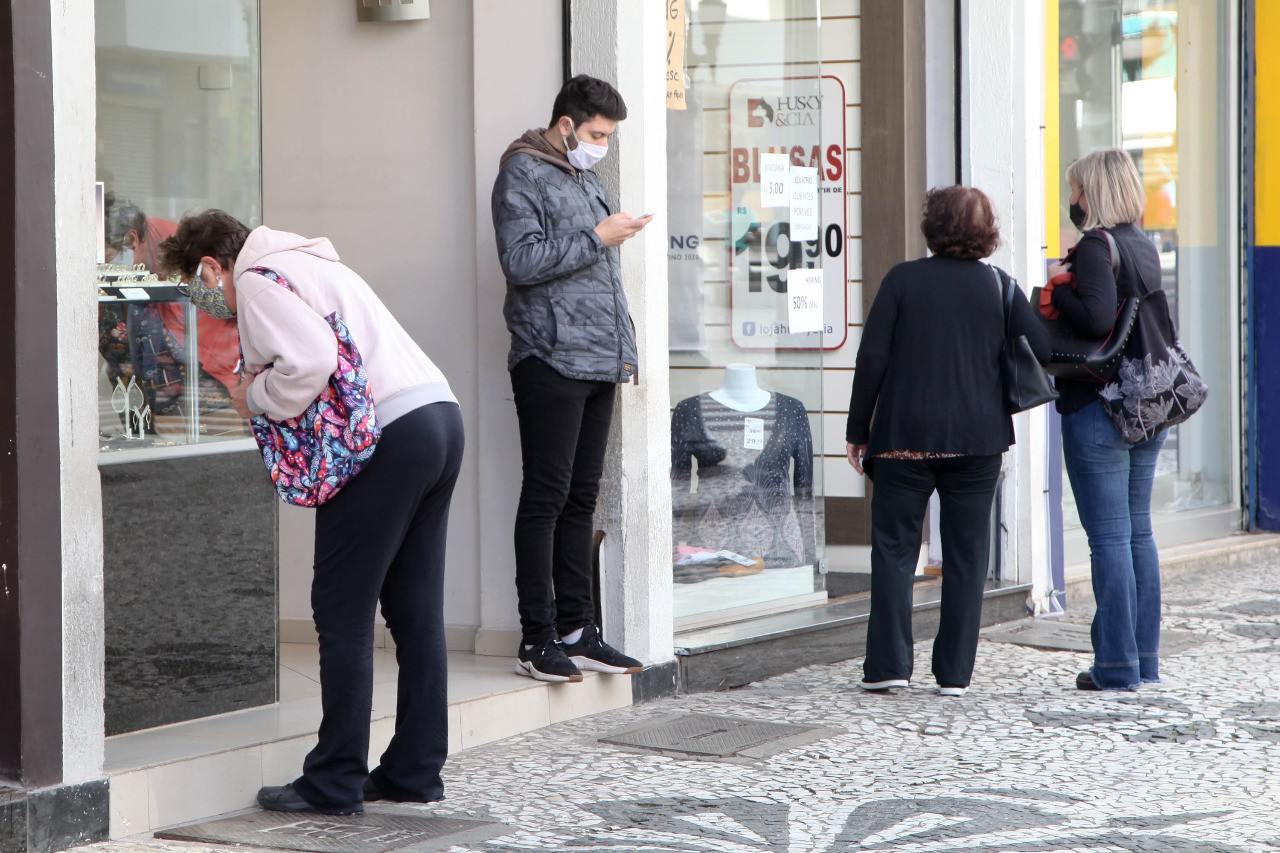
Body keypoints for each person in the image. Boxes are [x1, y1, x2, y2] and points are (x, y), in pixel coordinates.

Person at [159, 211, 464, 815]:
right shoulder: (312, 261)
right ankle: (412, 770)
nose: (202, 299)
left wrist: (254, 397)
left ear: (210, 266)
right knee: (415, 608)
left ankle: (333, 780)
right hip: (437, 417)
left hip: (384, 437)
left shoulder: (254, 279)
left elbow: (311, 360)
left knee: (341, 610)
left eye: (197, 285)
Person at [845, 186, 1050, 697]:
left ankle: (888, 665)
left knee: (894, 551)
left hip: (903, 438)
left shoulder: (902, 280)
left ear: (931, 227)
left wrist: (857, 431)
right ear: (988, 232)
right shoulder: (1001, 286)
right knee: (966, 554)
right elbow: (1042, 348)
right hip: (977, 440)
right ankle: (955, 673)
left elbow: (871, 360)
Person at [492, 74, 650, 682]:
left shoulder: (585, 176)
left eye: (607, 136)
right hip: (549, 358)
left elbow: (596, 273)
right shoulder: (522, 172)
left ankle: (578, 630)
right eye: (596, 134)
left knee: (581, 499)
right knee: (546, 498)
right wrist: (598, 236)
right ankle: (537, 639)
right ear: (566, 126)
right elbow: (521, 260)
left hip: (600, 360)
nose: (602, 145)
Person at [1046, 149, 1166, 691]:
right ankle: (1143, 659)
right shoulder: (1143, 244)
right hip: (1146, 406)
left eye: (1075, 189)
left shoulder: (1097, 246)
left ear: (1090, 193)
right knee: (1138, 532)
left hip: (1100, 408)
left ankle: (1115, 665)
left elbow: (1094, 319)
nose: (1071, 199)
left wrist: (1058, 287)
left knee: (1111, 538)